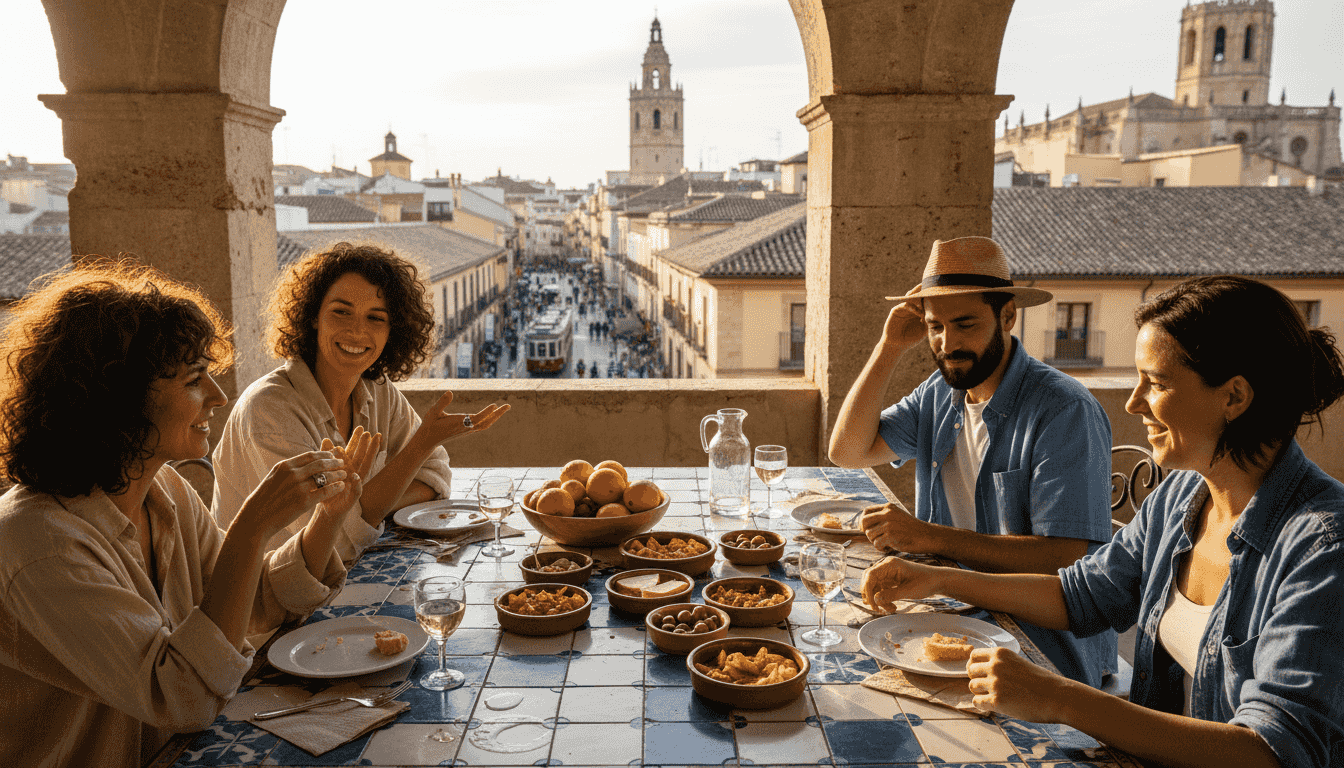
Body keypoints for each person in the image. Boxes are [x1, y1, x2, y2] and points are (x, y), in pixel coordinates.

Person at [862, 275, 1344, 768]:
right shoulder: (1183, 494)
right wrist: (938, 578)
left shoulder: (1323, 546)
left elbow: (1274, 752)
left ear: (1234, 397)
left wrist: (1062, 699)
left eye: (1155, 383)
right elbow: (1082, 595)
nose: (1134, 403)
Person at [0, 261, 376, 767]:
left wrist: (328, 516)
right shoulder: (38, 543)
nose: (219, 397)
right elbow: (178, 697)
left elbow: (255, 603)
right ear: (119, 399)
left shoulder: (164, 489)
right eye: (196, 380)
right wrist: (252, 524)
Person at [829, 236, 1116, 686]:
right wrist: (888, 349)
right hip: (947, 616)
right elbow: (847, 451)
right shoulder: (941, 392)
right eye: (934, 327)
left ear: (1008, 316)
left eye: (965, 324)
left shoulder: (1064, 410)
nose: (947, 343)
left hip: (1040, 649)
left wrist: (930, 539)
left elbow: (1063, 557)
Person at [212, 242, 510, 561]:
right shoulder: (269, 410)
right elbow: (331, 539)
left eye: (375, 318)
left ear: (392, 331)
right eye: (341, 312)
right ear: (313, 317)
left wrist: (360, 505)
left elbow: (435, 476)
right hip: (261, 600)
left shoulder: (377, 390)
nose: (357, 330)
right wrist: (421, 443)